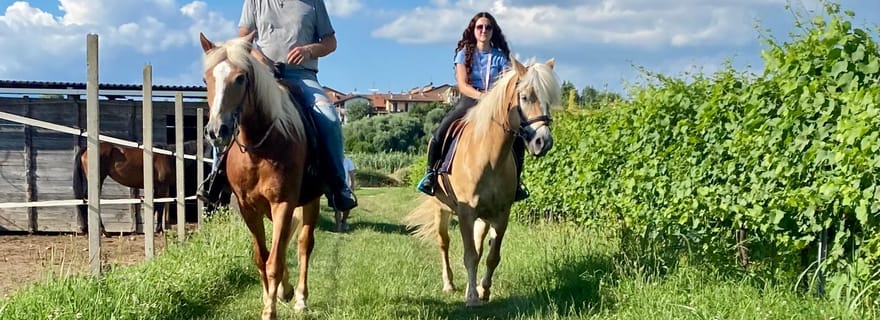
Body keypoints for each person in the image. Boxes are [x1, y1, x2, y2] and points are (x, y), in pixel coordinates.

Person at [198, 0, 357, 212]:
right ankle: (215, 178)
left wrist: (309, 51)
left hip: (302, 75)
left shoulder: (313, 3)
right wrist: (260, 59)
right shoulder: (255, 2)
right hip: (263, 74)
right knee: (229, 110)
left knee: (328, 117)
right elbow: (242, 41)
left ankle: (338, 185)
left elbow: (330, 42)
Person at [416, 12, 529, 201]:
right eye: (480, 27)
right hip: (470, 99)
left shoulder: (500, 57)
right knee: (441, 131)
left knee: (516, 136)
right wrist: (481, 96)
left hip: (495, 104)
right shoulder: (464, 54)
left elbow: (507, 84)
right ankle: (431, 175)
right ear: (473, 30)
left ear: (494, 31)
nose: (484, 30)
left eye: (488, 27)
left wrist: (492, 99)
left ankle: (516, 183)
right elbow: (462, 85)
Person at [335, 155, 356, 232]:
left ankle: (344, 221)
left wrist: (352, 185)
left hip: (346, 187)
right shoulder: (334, 159)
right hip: (336, 187)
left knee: (347, 206)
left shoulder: (348, 161)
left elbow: (351, 174)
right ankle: (338, 226)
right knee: (337, 208)